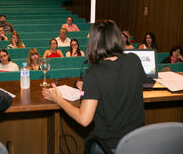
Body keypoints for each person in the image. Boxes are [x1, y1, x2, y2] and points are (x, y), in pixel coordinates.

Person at [42, 20, 146, 153]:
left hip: (109, 146)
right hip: (137, 143)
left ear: (94, 42)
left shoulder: (94, 72)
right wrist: (91, 89)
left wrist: (58, 99)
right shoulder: (134, 60)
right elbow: (124, 84)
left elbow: (84, 119)